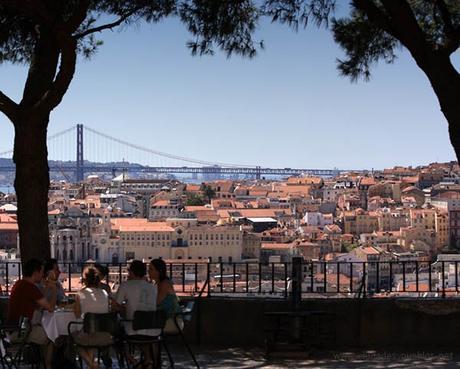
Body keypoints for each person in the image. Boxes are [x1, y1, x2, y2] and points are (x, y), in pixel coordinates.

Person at [7, 258, 57, 368]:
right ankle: (47, 367)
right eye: (42, 272)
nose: (43, 274)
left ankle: (41, 365)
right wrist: (54, 290)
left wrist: (46, 288)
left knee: (47, 333)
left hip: (13, 328)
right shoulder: (29, 287)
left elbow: (37, 302)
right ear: (35, 273)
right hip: (22, 331)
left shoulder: (20, 284)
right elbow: (50, 308)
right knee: (52, 336)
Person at [115, 260, 158, 368]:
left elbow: (115, 306)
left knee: (117, 332)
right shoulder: (153, 287)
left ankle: (130, 358)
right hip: (154, 328)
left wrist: (124, 309)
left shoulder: (125, 285)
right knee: (143, 333)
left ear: (132, 273)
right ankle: (148, 361)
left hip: (134, 328)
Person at [73, 266, 110, 369]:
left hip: (89, 335)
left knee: (74, 339)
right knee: (90, 333)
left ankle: (92, 364)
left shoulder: (80, 294)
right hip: (105, 335)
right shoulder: (105, 293)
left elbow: (77, 315)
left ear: (84, 280)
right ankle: (92, 365)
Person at [148, 259, 183, 333]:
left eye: (151, 269)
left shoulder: (164, 284)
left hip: (172, 321)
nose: (148, 271)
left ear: (158, 271)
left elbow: (154, 303)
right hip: (166, 319)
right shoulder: (158, 284)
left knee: (141, 325)